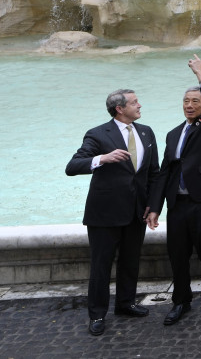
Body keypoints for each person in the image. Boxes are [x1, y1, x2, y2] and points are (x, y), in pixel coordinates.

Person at [66, 89, 160, 336]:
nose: (140, 105)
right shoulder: (97, 134)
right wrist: (102, 158)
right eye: (134, 102)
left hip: (137, 212)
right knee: (101, 266)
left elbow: (154, 173)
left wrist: (154, 206)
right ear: (119, 108)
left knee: (130, 262)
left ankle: (125, 304)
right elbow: (72, 166)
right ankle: (97, 315)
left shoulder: (146, 132)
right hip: (104, 214)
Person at [148, 55, 201, 326]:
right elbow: (164, 172)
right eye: (186, 101)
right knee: (177, 255)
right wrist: (155, 206)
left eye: (195, 101)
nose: (190, 105)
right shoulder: (172, 134)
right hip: (178, 205)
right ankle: (181, 301)